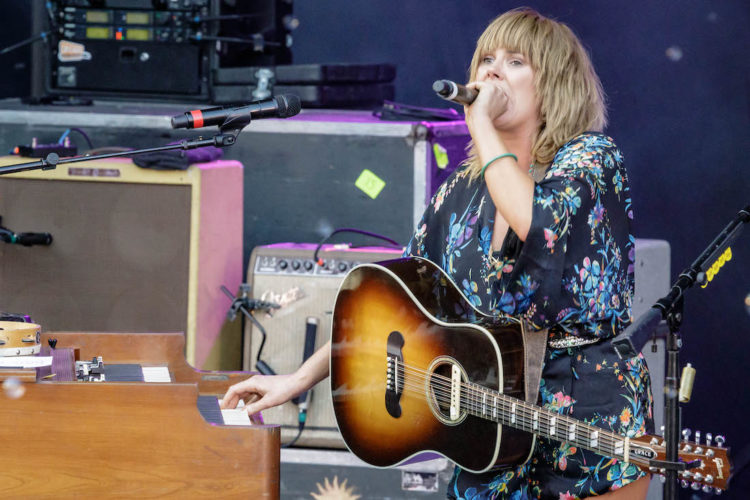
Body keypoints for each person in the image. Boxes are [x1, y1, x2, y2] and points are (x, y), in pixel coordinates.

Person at [222, 8, 653, 499]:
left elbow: (538, 223)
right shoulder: (460, 194)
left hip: (588, 425)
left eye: (515, 62)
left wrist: (482, 127)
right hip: (491, 436)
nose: (493, 72)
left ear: (554, 83)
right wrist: (298, 379)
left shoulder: (592, 158)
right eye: (486, 59)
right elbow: (387, 306)